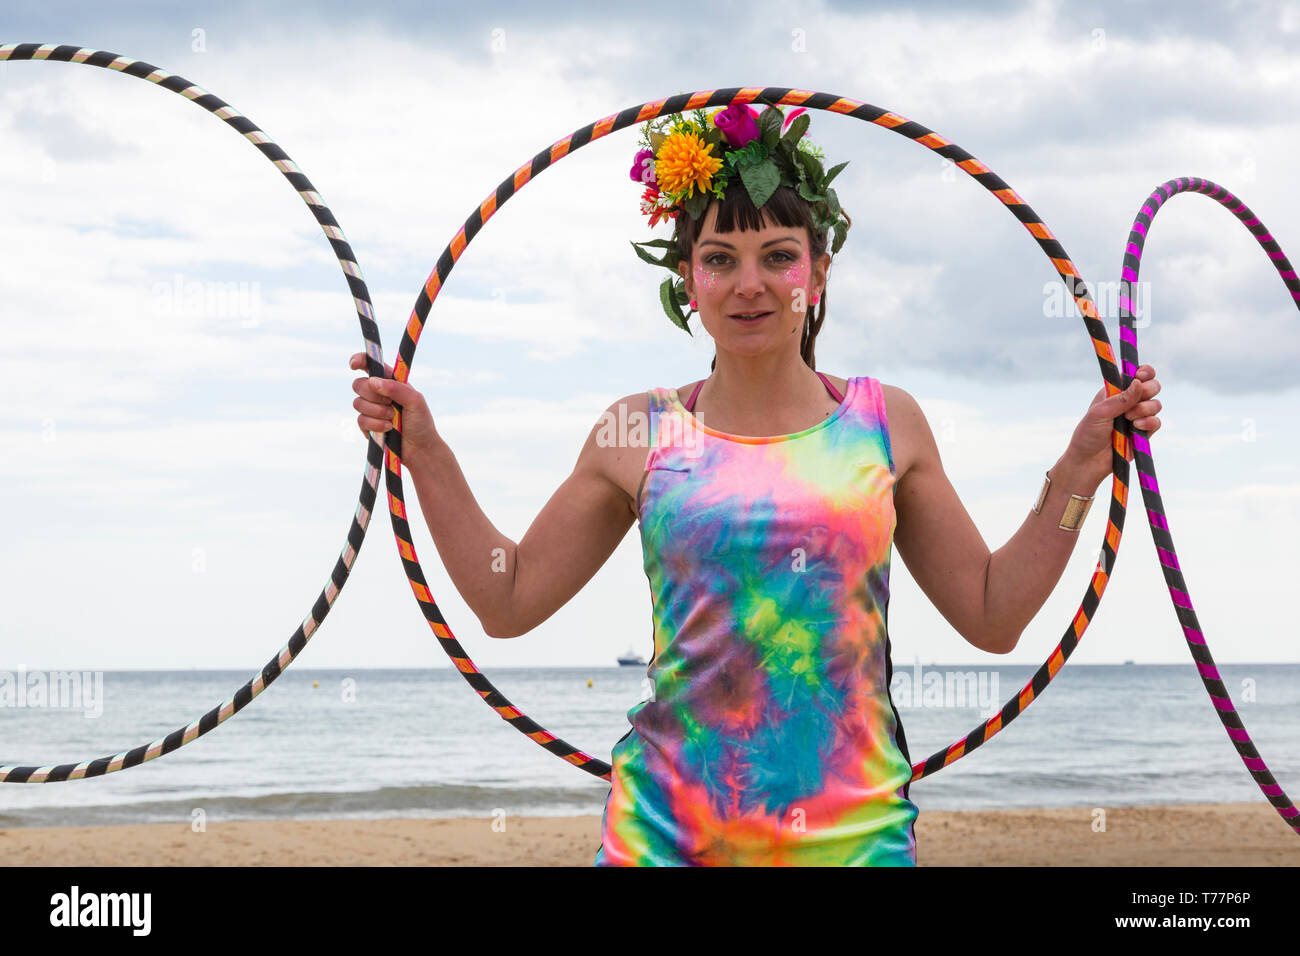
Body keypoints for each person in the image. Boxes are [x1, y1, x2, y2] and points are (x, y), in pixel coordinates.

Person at [348, 103, 1163, 866]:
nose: (750, 285)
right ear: (687, 280)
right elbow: (508, 600)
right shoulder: (638, 431)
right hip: (667, 834)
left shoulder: (887, 424)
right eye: (719, 260)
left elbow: (993, 614)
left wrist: (1081, 468)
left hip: (854, 835)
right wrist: (426, 450)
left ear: (818, 271)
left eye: (779, 257)